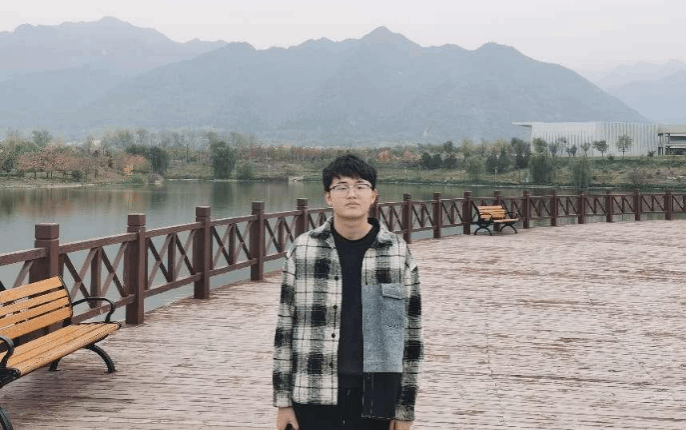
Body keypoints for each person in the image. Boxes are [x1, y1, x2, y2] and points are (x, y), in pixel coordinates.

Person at [273, 154, 423, 430]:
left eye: (360, 186)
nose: (351, 194)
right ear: (328, 197)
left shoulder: (397, 253)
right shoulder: (303, 250)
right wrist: (284, 402)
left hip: (378, 397)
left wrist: (405, 411)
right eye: (341, 187)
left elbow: (411, 335)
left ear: (373, 195)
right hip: (313, 392)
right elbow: (285, 330)